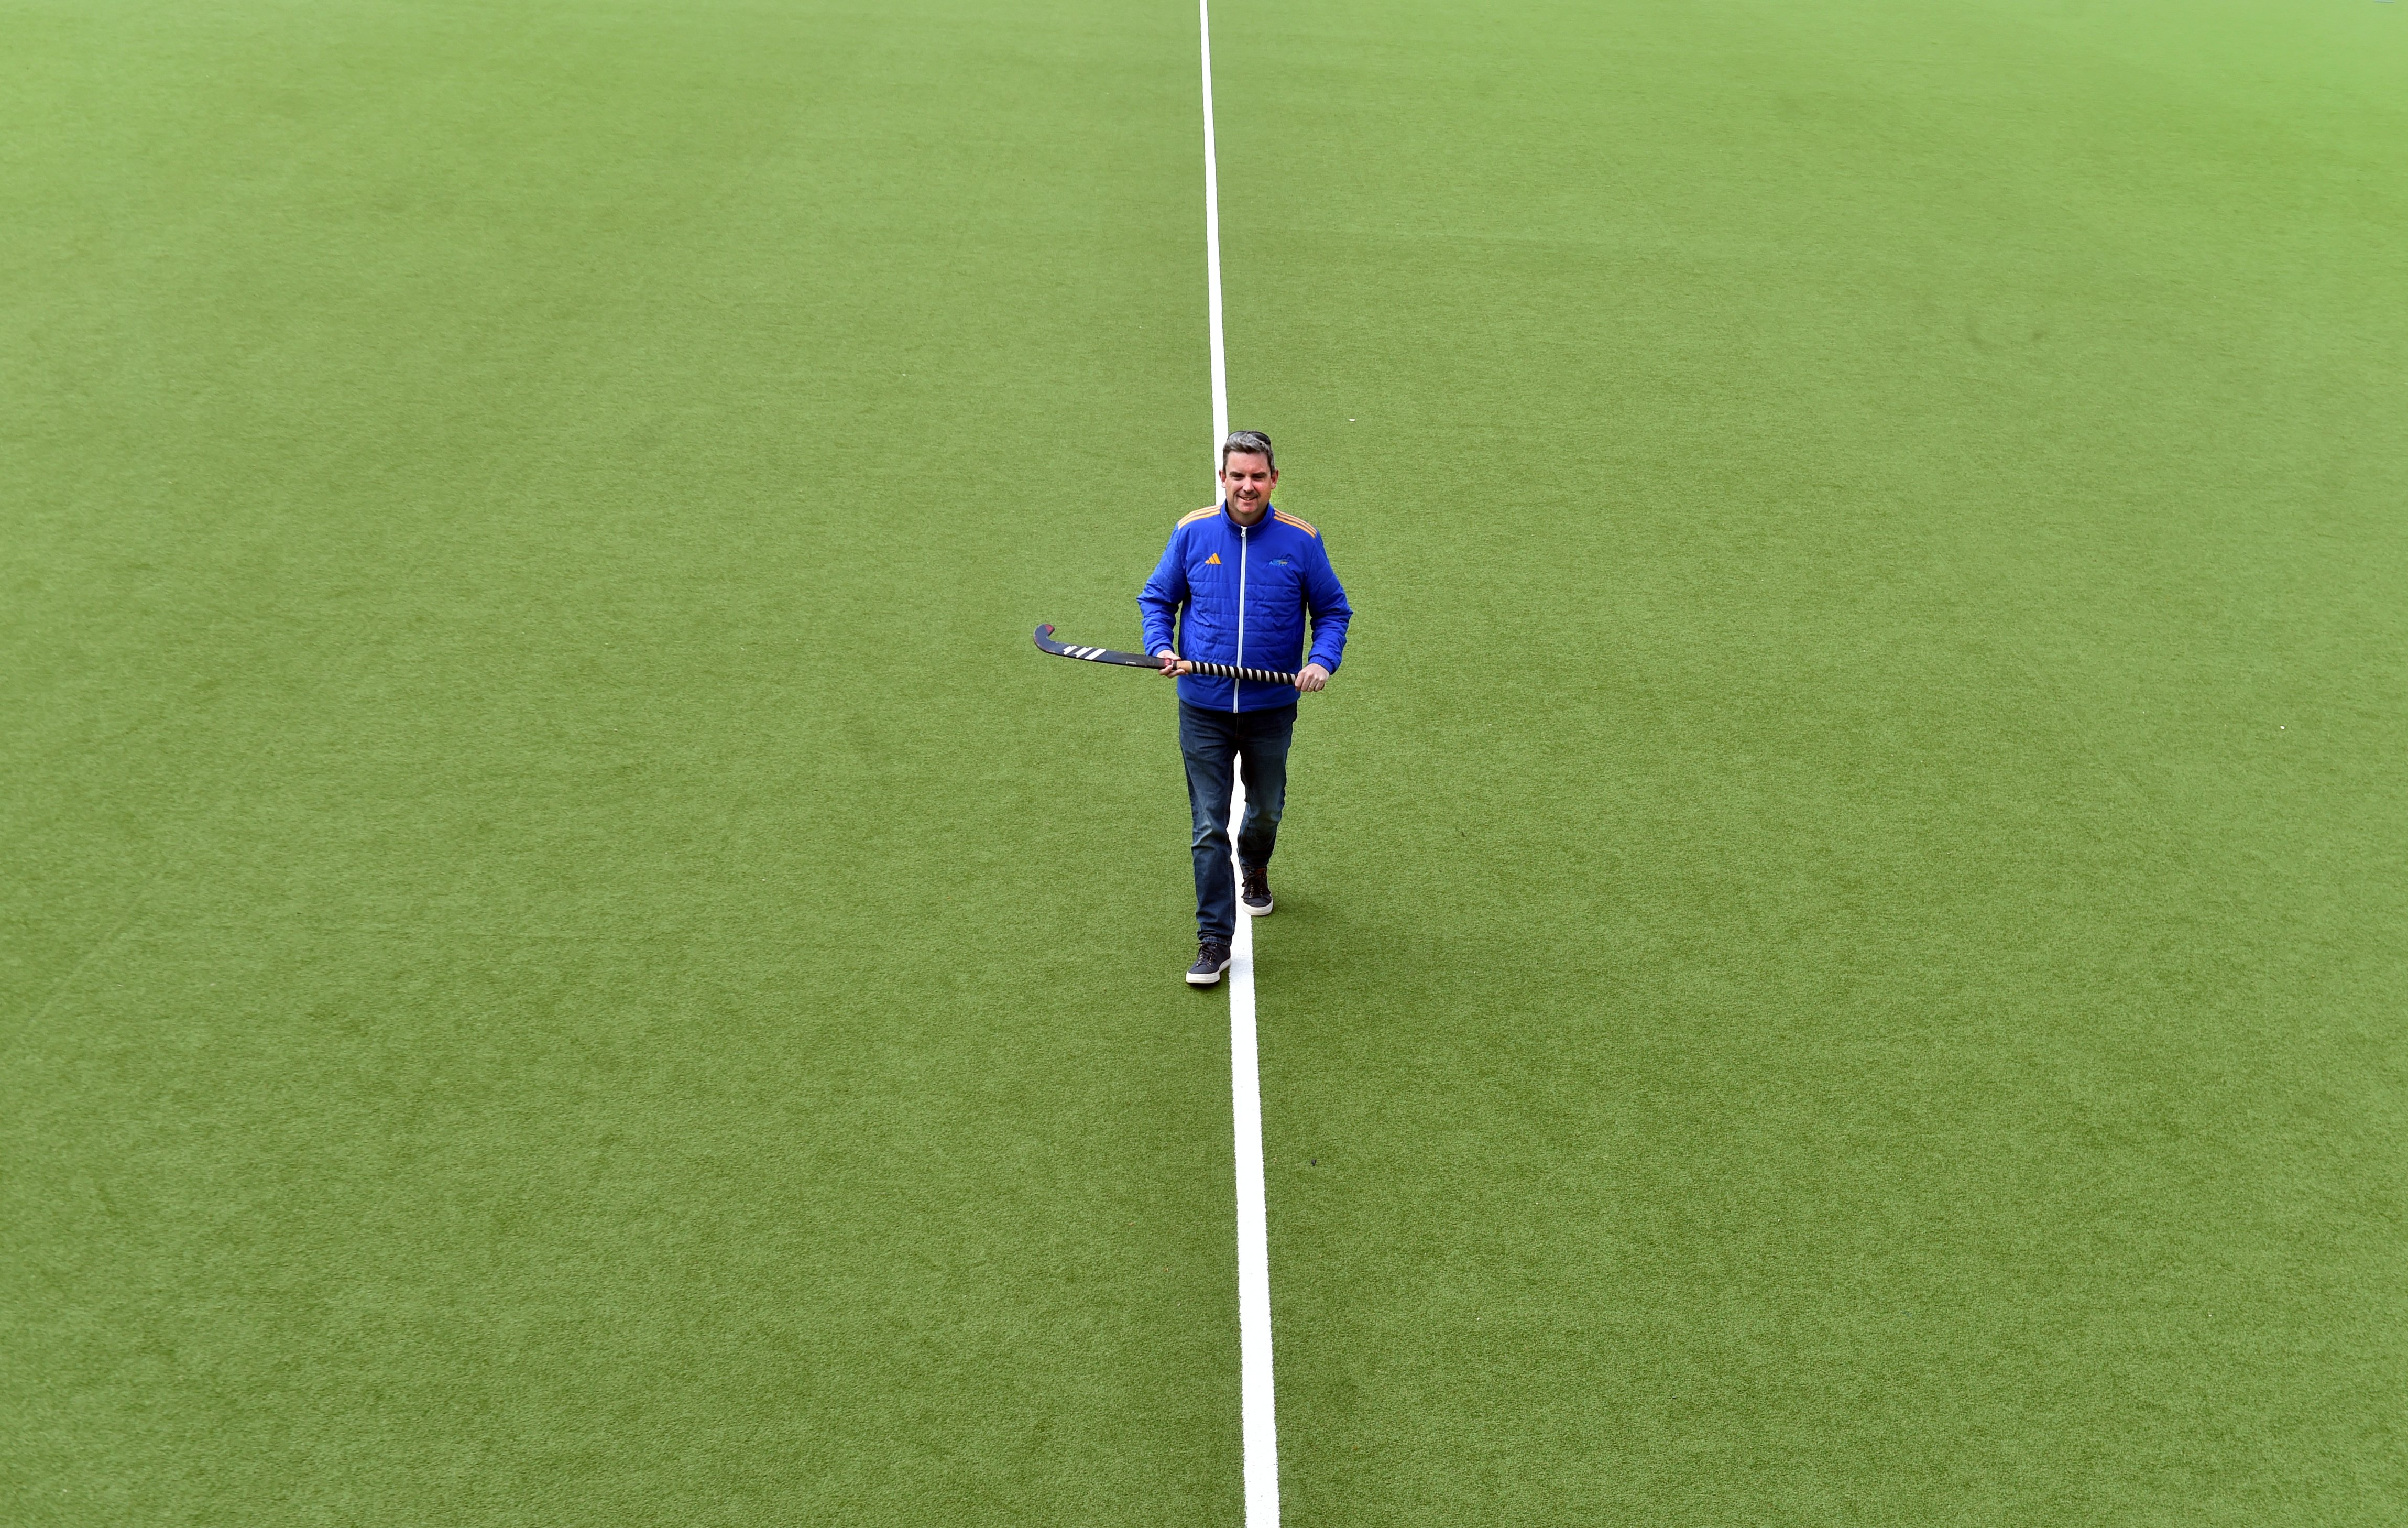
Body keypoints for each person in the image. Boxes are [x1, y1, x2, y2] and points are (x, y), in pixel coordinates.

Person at [1139, 430, 1353, 986]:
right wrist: (1162, 646)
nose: (1248, 486)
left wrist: (1322, 661)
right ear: (1223, 478)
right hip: (1203, 706)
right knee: (1209, 823)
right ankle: (1214, 939)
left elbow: (1333, 611)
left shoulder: (1300, 541)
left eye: (1258, 476)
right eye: (1238, 476)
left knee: (1265, 810)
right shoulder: (1192, 533)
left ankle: (1254, 864)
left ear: (1274, 479)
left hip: (1270, 707)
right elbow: (1158, 599)